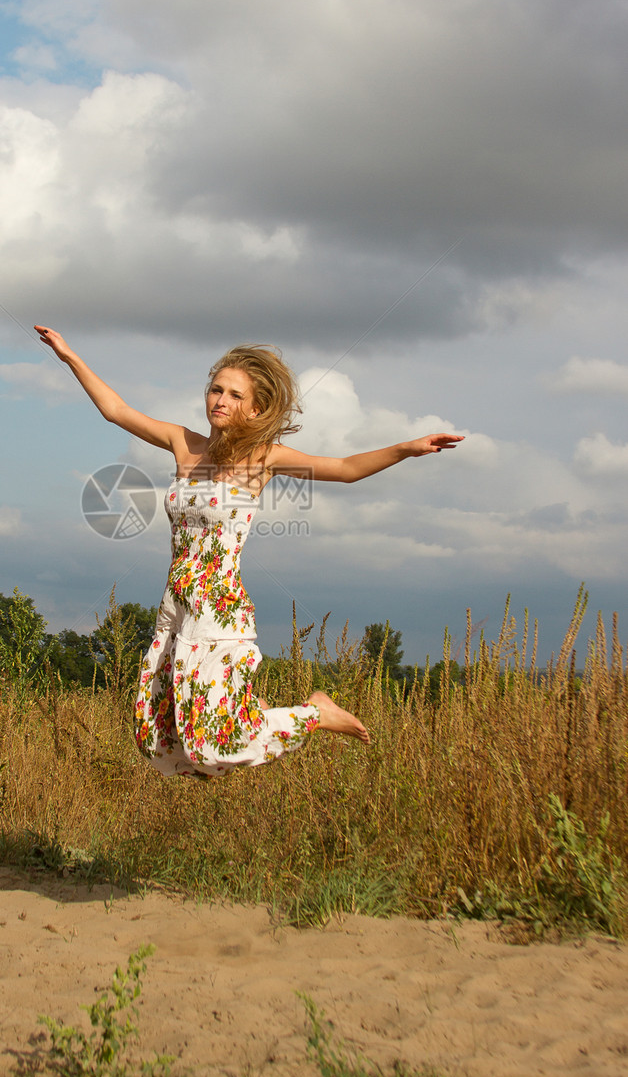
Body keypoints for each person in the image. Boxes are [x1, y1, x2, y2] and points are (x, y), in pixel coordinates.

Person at [35, 328, 463, 777]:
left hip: (219, 608)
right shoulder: (186, 444)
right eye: (216, 390)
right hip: (177, 604)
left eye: (234, 395)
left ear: (255, 408)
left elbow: (345, 469)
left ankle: (315, 712)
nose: (220, 400)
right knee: (158, 735)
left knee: (212, 745)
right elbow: (116, 410)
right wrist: (69, 356)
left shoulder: (264, 458)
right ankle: (244, 704)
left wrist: (405, 449)